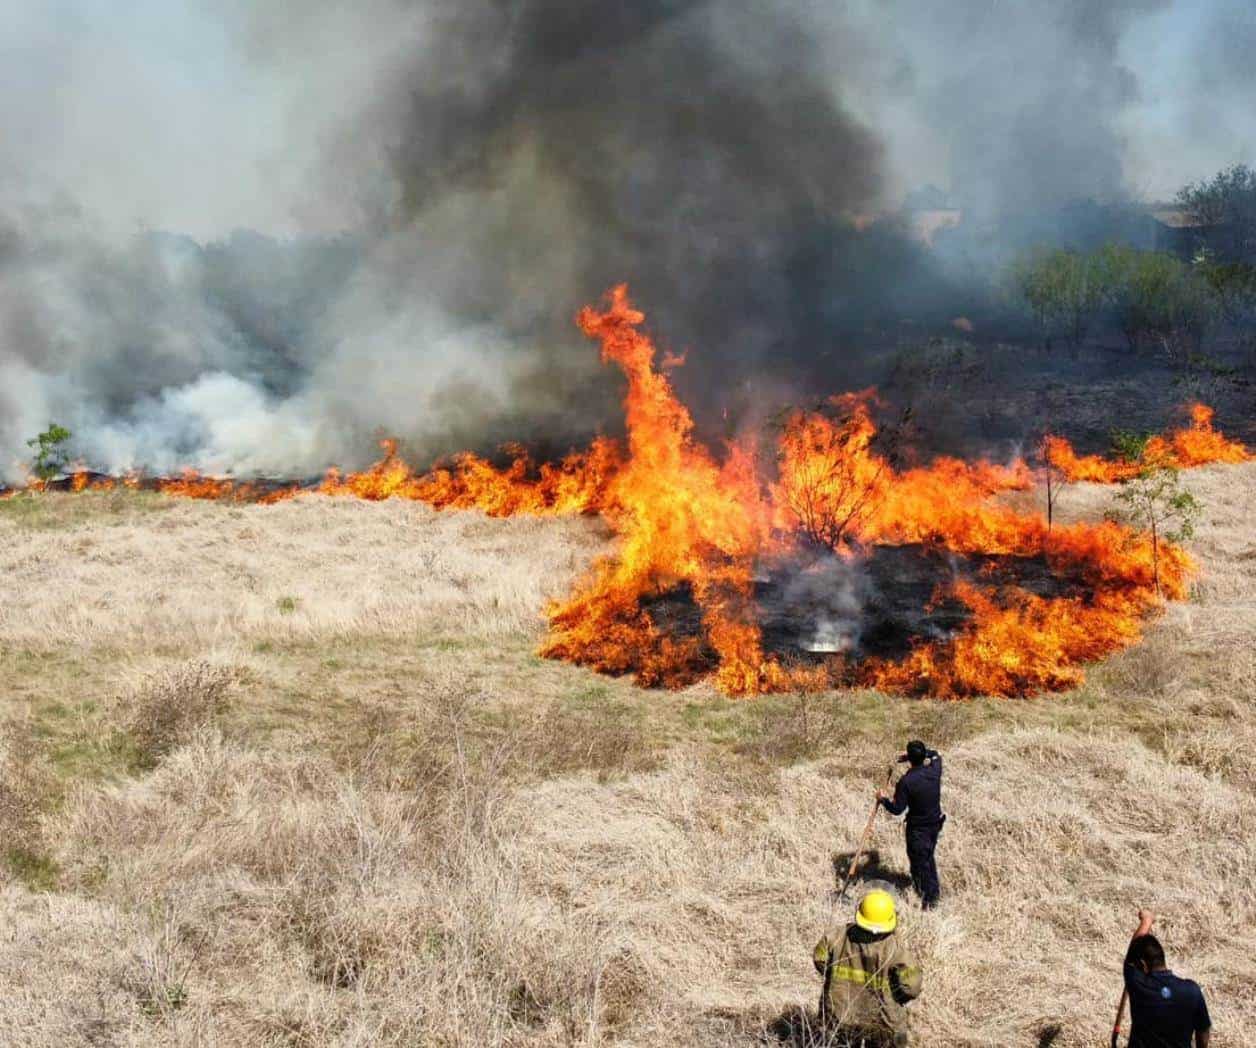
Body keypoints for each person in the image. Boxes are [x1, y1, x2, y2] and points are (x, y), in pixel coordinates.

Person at [813, 889, 922, 1047]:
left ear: (860, 914)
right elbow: (912, 986)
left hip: (838, 1015)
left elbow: (819, 958)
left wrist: (833, 977)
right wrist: (899, 997)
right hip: (883, 1021)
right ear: (890, 920)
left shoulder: (837, 935)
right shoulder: (894, 948)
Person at [1122, 909, 1211, 1048]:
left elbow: (1131, 955)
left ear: (1143, 964)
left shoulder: (1138, 984)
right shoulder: (1192, 991)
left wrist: (1146, 921)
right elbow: (1203, 1031)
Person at [876, 740, 944, 908]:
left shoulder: (907, 782)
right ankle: (925, 889)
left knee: (920, 862)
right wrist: (916, 754)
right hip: (935, 824)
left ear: (910, 759)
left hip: (918, 830)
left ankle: (930, 901)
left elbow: (897, 809)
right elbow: (936, 754)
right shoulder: (935, 770)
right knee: (927, 857)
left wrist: (882, 799)